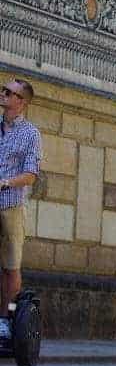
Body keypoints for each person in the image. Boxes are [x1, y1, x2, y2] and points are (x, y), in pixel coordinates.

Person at [0, 79, 41, 340]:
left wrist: (5, 182)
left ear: (21, 101)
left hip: (10, 206)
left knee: (10, 267)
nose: (3, 95)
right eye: (3, 91)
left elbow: (31, 175)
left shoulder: (31, 134)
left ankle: (6, 319)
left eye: (8, 92)